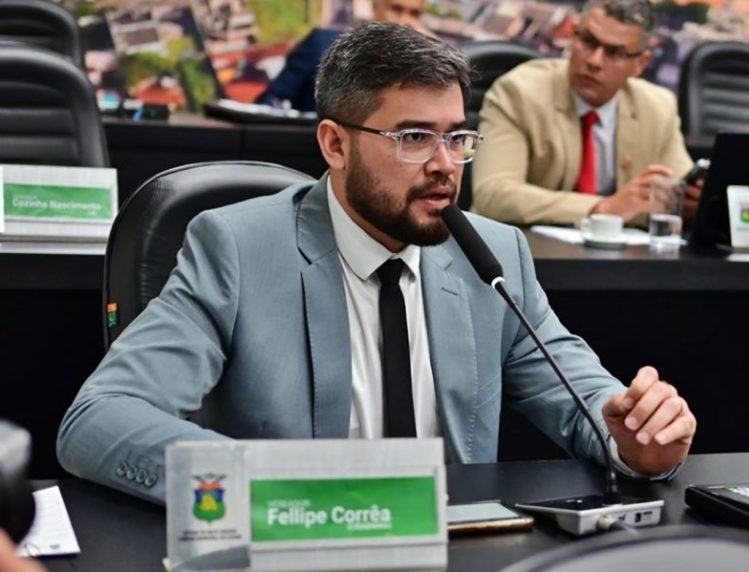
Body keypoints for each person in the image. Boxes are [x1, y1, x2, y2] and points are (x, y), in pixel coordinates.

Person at [57, 23, 696, 504]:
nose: (445, 164)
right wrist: (279, 490)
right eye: (413, 138)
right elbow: (99, 420)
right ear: (335, 144)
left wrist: (636, 440)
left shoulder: (493, 255)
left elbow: (587, 400)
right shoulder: (238, 249)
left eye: (457, 137)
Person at [471, 0, 699, 227]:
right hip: (523, 244)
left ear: (640, 63)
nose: (594, 61)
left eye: (614, 53)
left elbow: (678, 187)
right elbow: (494, 194)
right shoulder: (519, 92)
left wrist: (689, 204)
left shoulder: (658, 107)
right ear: (573, 36)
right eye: (588, 42)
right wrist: (603, 208)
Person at [255, 0, 430, 112]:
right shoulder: (322, 46)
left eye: (414, 14)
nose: (405, 21)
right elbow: (268, 105)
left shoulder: (420, 67)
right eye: (396, 9)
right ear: (375, 8)